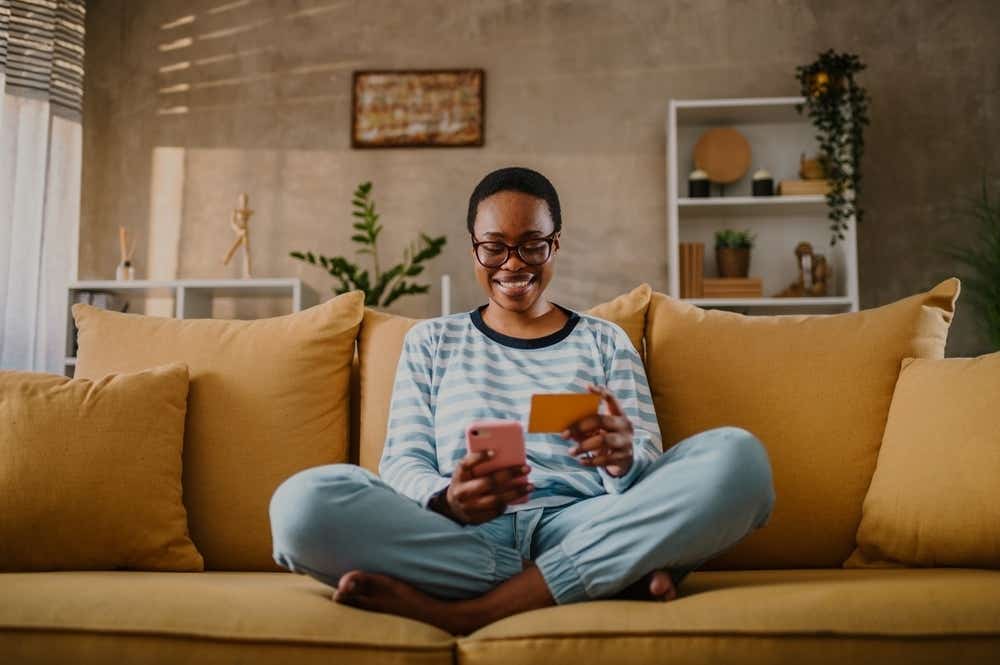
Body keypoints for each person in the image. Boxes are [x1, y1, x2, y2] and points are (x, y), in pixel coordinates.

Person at [269, 167, 775, 635]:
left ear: (555, 245)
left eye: (532, 246)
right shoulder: (431, 342)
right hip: (465, 537)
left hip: (582, 521)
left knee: (739, 459)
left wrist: (624, 458)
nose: (513, 264)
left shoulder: (605, 342)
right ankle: (604, 576)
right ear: (474, 250)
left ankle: (474, 610)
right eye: (495, 248)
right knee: (300, 507)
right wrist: (449, 501)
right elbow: (403, 460)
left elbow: (646, 467)